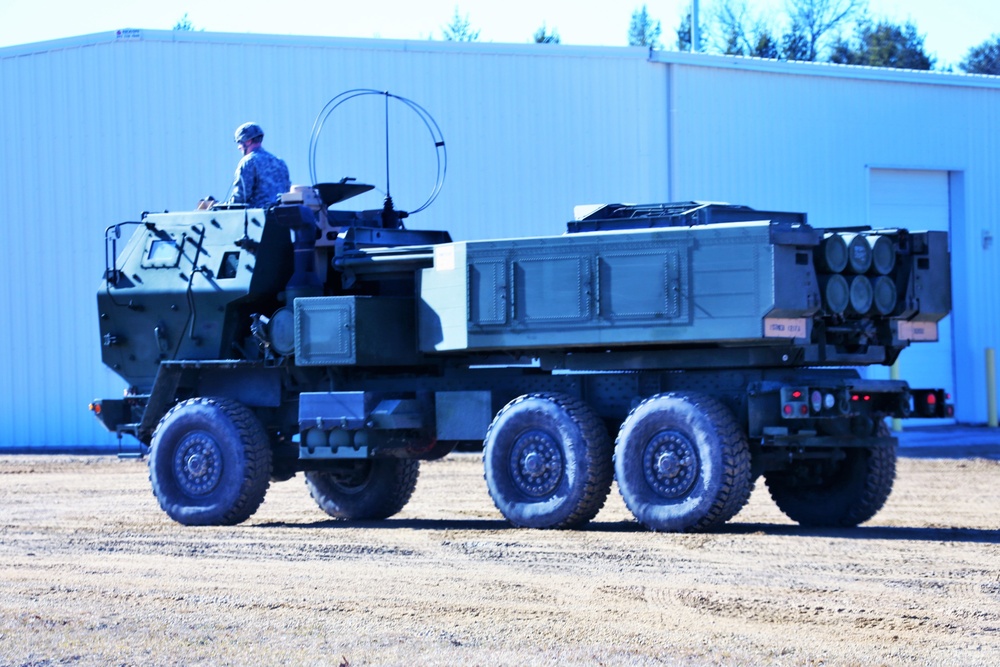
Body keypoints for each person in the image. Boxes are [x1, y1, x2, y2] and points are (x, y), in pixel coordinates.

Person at [228, 122, 291, 208]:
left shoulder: (248, 161)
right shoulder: (280, 162)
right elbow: (287, 190)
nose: (238, 147)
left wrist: (226, 206)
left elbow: (241, 196)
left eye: (239, 142)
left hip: (258, 218)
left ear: (248, 141)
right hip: (281, 216)